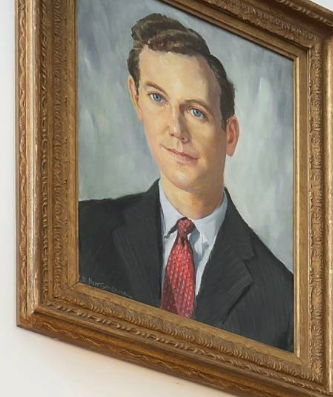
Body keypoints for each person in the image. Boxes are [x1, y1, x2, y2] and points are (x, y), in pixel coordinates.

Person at [78, 12, 294, 351]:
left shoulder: (283, 296)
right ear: (135, 98)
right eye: (158, 99)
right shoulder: (83, 229)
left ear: (231, 135)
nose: (175, 129)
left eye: (196, 112)